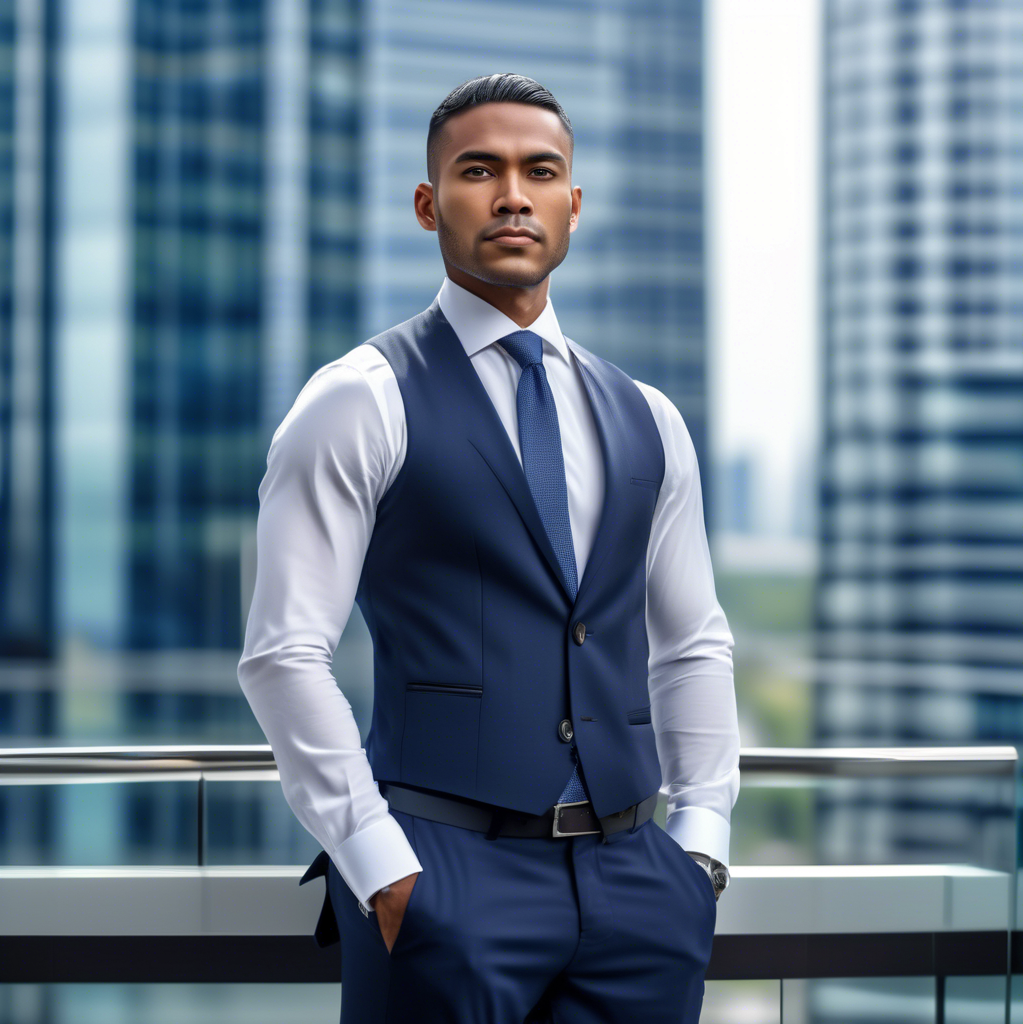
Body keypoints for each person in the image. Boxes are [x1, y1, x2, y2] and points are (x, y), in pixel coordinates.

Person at [238, 72, 741, 1024]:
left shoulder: (651, 418)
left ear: (573, 206)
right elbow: (283, 654)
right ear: (430, 203)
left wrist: (701, 845)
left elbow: (693, 644)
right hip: (444, 874)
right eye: (481, 170)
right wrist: (384, 870)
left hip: (638, 884)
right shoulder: (359, 399)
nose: (514, 193)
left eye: (540, 171)